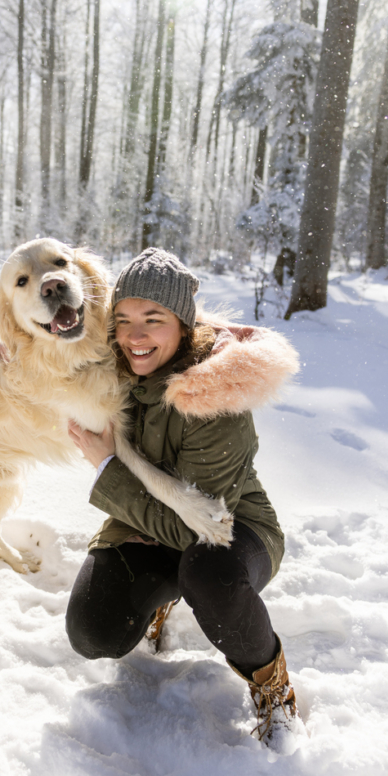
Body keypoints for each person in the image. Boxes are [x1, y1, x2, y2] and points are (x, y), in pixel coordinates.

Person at [66, 247, 301, 745]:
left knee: (208, 574)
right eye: (124, 319)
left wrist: (106, 467)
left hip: (231, 528)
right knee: (93, 632)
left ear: (184, 325)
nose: (135, 335)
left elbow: (199, 525)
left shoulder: (215, 395)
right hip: (145, 519)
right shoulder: (115, 373)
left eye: (154, 319)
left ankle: (271, 681)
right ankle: (160, 594)